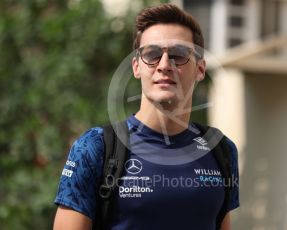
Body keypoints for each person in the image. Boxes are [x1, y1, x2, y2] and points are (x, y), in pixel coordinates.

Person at [53, 3, 239, 230]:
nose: (164, 65)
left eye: (178, 55)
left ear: (200, 69)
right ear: (136, 66)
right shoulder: (95, 147)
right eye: (152, 54)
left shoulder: (221, 150)